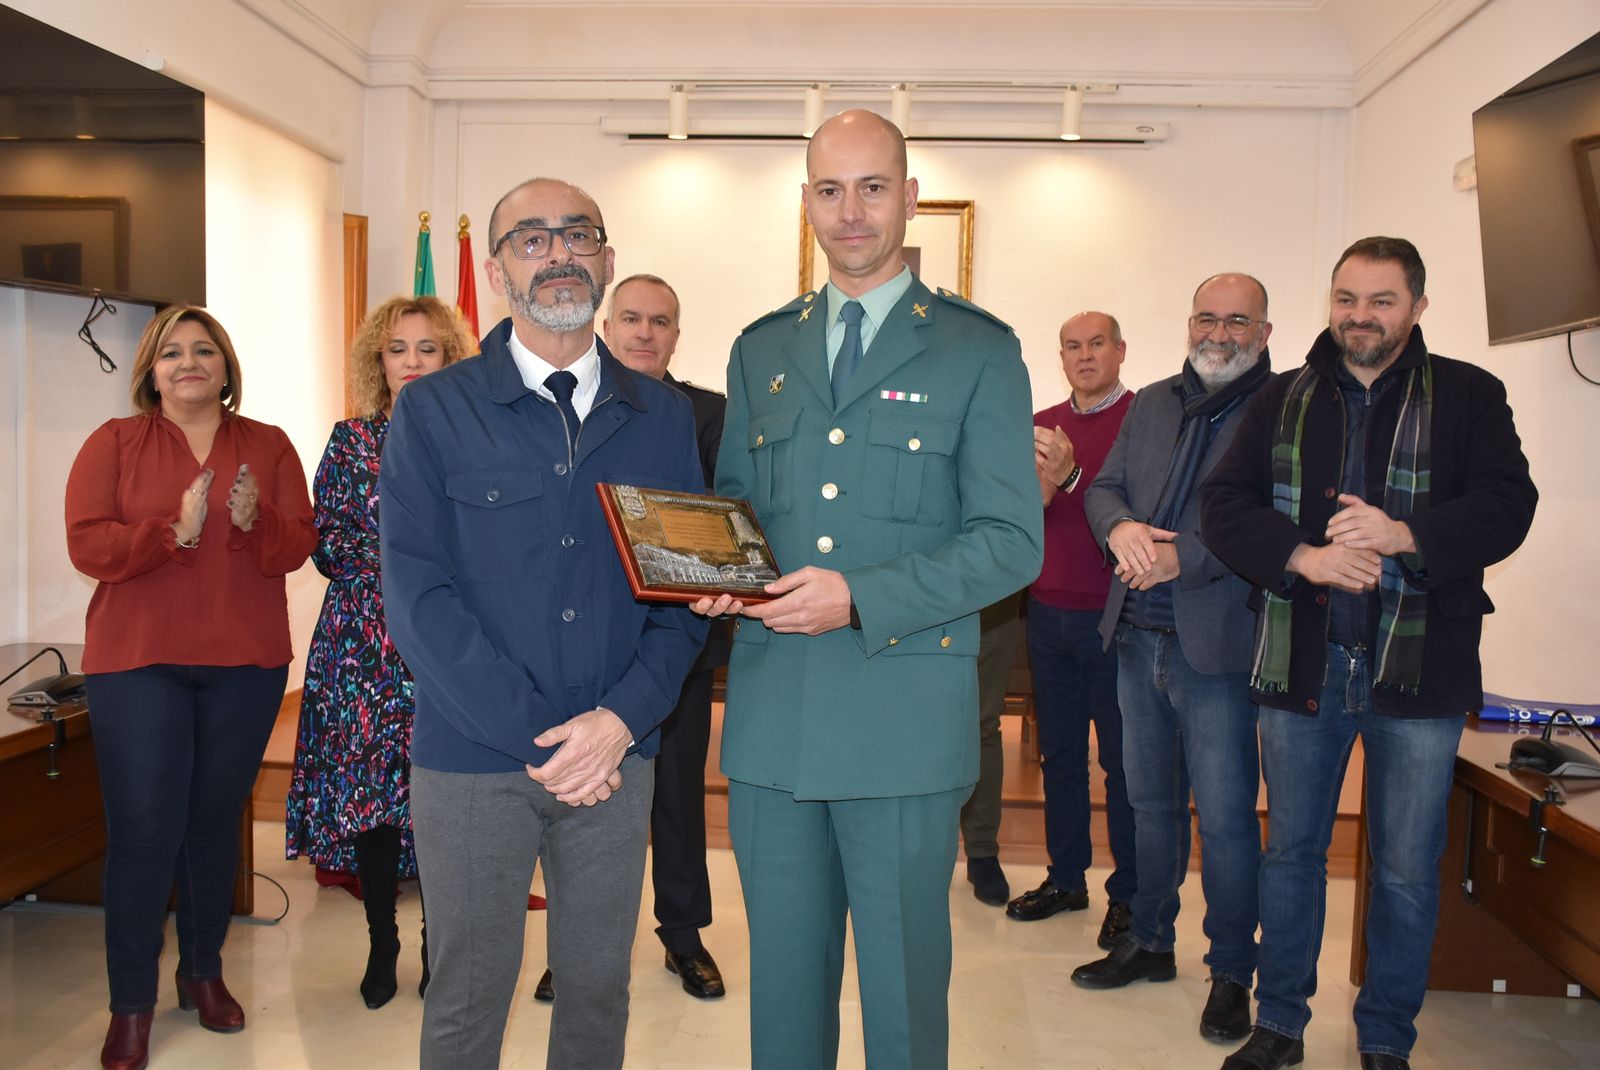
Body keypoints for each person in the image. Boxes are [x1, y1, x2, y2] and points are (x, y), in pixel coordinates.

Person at [695, 109, 1043, 1070]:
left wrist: (860, 594)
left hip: (902, 716)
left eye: (873, 187)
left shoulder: (977, 351)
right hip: (774, 720)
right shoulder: (763, 349)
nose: (851, 213)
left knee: (900, 998)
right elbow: (738, 509)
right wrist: (718, 577)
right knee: (783, 997)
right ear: (806, 200)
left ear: (910, 198)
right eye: (829, 189)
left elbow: (1012, 543)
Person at [378, 177, 709, 1070]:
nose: (558, 252)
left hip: (616, 757)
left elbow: (683, 601)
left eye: (579, 235)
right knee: (468, 999)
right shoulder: (432, 410)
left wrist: (619, 723)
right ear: (496, 269)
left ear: (606, 258)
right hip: (475, 762)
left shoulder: (664, 417)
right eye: (532, 238)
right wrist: (547, 738)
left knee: (598, 995)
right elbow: (416, 598)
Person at [1201, 238, 1537, 1070]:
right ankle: (1279, 1024)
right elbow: (1225, 501)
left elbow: (1508, 504)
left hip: (1418, 673)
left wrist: (1407, 535)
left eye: (1381, 300)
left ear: (1418, 307)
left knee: (1405, 872)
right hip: (1302, 662)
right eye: (1347, 298)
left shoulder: (1470, 394)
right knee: (1293, 858)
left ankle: (1386, 1038)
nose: (1361, 316)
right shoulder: (1280, 397)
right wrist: (1303, 557)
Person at [65, 305, 317, 1070]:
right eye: (171, 352)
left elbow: (301, 541)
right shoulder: (113, 442)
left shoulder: (267, 445)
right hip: (137, 661)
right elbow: (86, 542)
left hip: (245, 662)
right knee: (144, 834)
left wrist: (253, 519)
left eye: (203, 350)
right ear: (151, 370)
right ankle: (130, 1006)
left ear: (225, 365)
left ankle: (203, 974)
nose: (188, 363)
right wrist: (167, 533)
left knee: (212, 827)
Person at [1072, 275, 1275, 1048]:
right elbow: (1107, 487)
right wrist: (1120, 528)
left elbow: (1275, 518)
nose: (1218, 332)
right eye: (1206, 317)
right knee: (1149, 803)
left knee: (1224, 820)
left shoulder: (1282, 406)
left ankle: (1231, 973)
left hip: (1216, 647)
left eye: (1236, 320)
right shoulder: (1153, 401)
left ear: (1263, 329)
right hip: (1134, 635)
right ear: (1188, 322)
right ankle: (1151, 941)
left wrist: (1182, 559)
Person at [284, 295, 475, 1010]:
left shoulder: (476, 440)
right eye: (399, 349)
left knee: (438, 791)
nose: (413, 361)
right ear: (380, 361)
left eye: (429, 348)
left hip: (446, 637)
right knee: (372, 797)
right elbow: (329, 546)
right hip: (361, 640)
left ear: (451, 360)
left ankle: (435, 942)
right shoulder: (349, 439)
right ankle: (380, 939)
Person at [601, 273, 730, 998]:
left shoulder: (709, 413)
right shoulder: (570, 404)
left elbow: (718, 517)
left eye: (660, 321)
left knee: (678, 795)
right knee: (589, 801)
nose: (645, 332)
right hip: (585, 641)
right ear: (608, 325)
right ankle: (581, 945)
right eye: (632, 318)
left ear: (677, 335)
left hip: (678, 638)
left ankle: (684, 937)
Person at [1006, 311, 1137, 952]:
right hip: (1048, 613)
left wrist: (1072, 475)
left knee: (1121, 764)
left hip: (1116, 616)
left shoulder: (1145, 420)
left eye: (1096, 344)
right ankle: (1066, 878)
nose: (1084, 356)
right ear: (1060, 356)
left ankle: (1131, 895)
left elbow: (1133, 515)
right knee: (1058, 757)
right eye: (1072, 346)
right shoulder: (1043, 424)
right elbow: (1029, 511)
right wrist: (1040, 480)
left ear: (1120, 350)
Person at [960, 593, 1023, 906]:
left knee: (982, 726)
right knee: (911, 729)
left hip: (990, 599)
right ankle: (917, 849)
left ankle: (982, 852)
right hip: (913, 595)